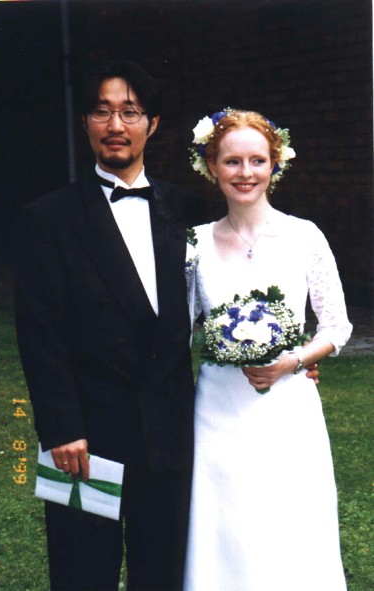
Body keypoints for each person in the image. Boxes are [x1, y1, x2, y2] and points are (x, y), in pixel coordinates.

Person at [13, 60, 206, 591]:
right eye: (102, 111)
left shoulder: (189, 210)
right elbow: (39, 333)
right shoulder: (47, 218)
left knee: (163, 570)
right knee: (82, 571)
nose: (115, 125)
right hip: (85, 436)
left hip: (169, 433)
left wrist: (287, 359)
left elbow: (224, 301)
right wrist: (61, 428)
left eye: (130, 111)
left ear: (153, 124)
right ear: (85, 123)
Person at [183, 109, 352, 591]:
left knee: (290, 521)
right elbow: (178, 330)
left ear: (275, 164)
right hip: (217, 407)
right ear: (211, 166)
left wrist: (294, 361)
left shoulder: (304, 236)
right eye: (232, 161)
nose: (245, 173)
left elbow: (337, 326)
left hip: (287, 406)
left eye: (257, 160)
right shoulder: (194, 244)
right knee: (224, 523)